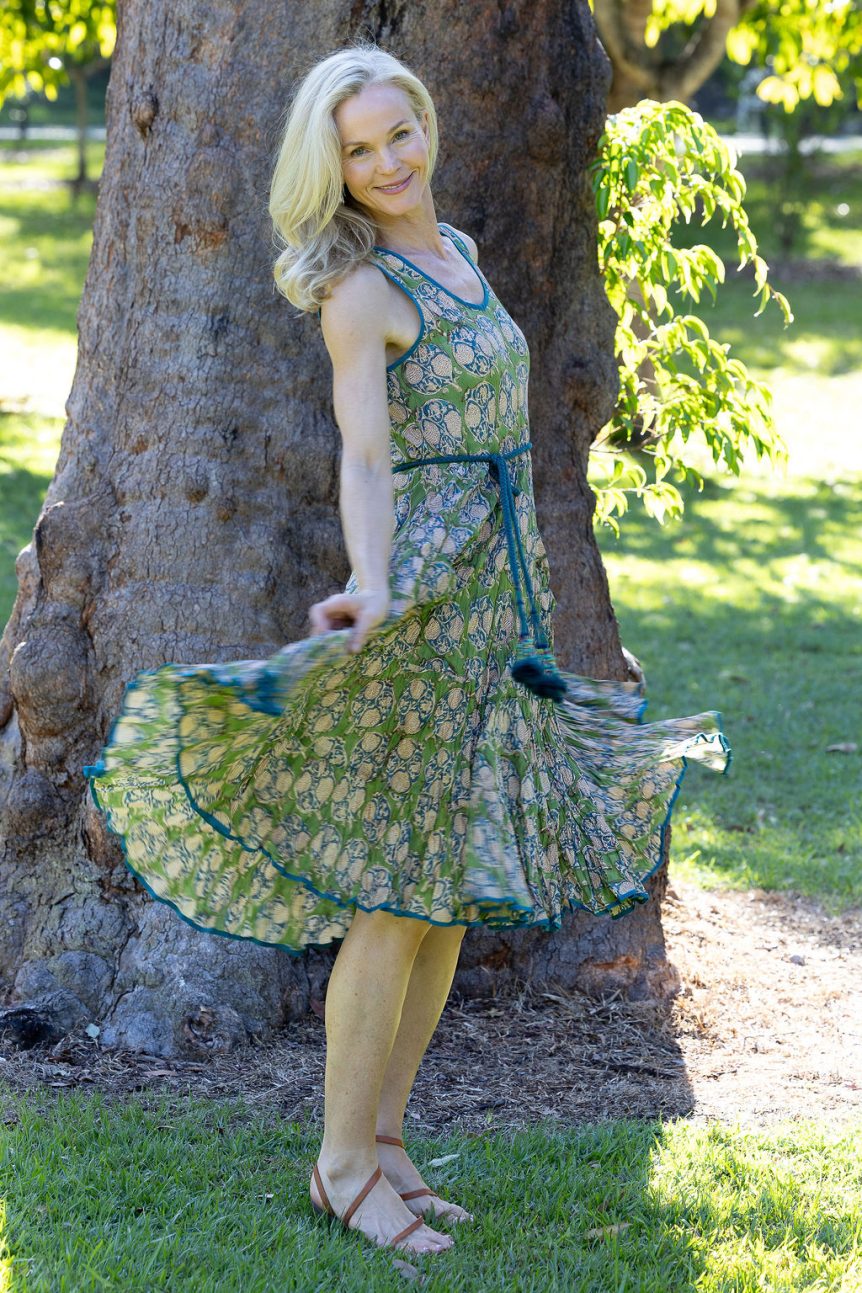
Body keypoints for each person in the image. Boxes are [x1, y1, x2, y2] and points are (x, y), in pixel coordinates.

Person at [83, 42, 732, 1260]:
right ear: (331, 171)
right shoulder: (362, 292)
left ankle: (385, 1142)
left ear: (426, 126)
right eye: (359, 151)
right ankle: (337, 1166)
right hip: (425, 602)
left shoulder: (464, 256)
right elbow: (367, 454)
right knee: (395, 901)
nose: (387, 162)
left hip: (501, 601)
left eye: (398, 134)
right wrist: (373, 580)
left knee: (444, 900)